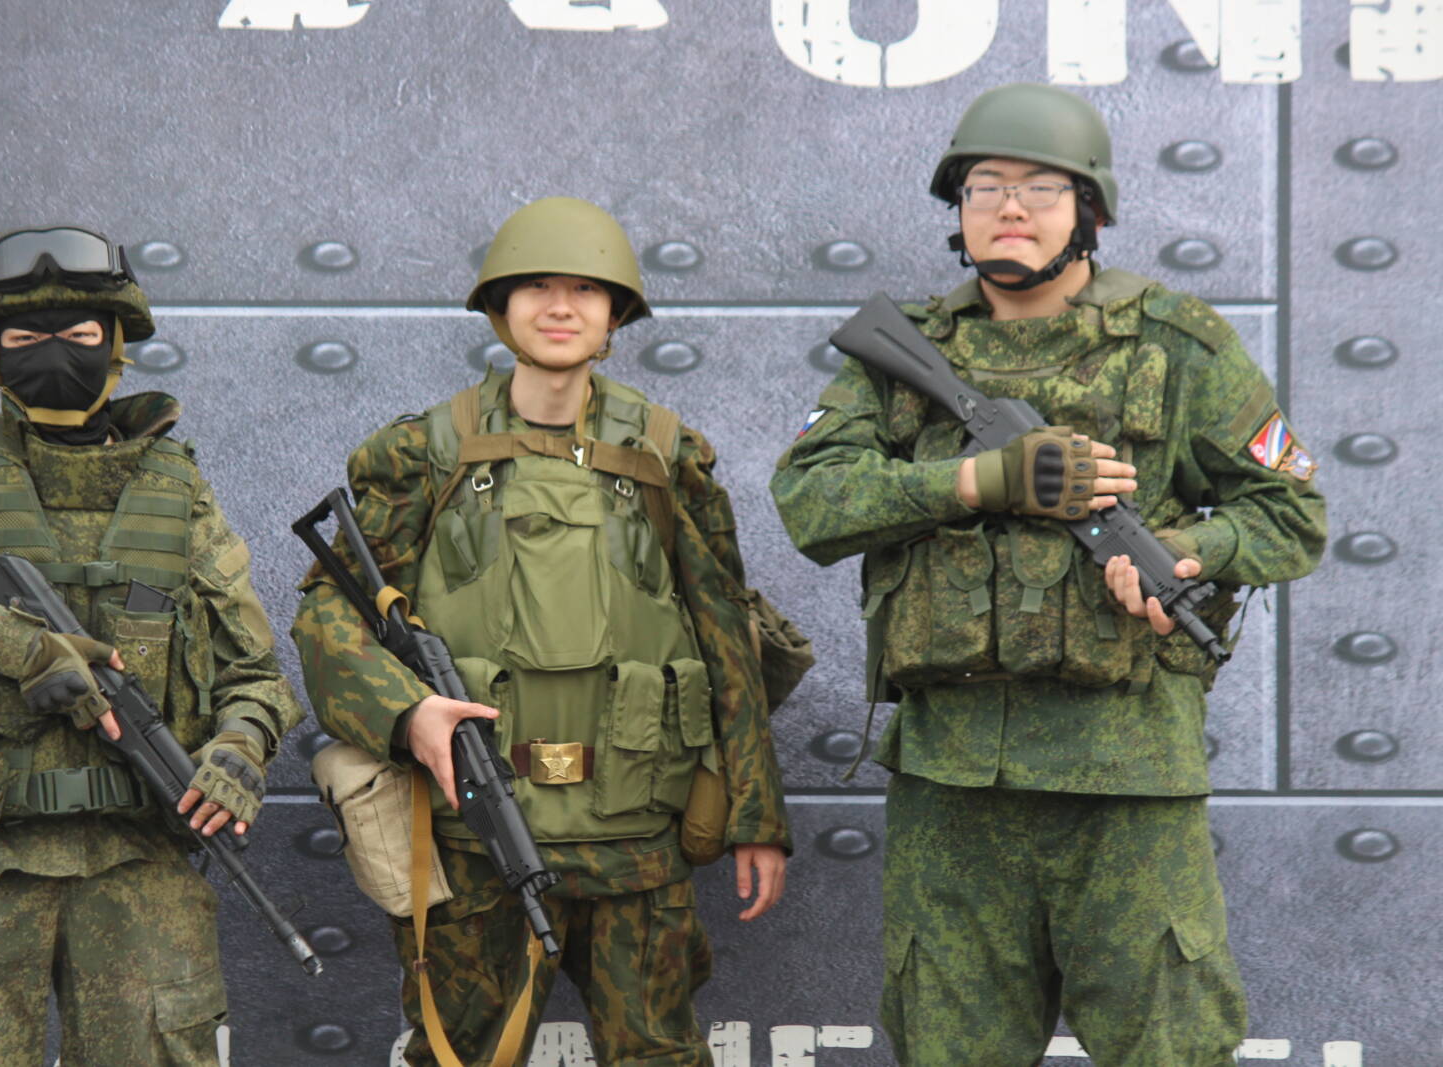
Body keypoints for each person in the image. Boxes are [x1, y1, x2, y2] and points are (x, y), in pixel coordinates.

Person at [770, 84, 1326, 1065]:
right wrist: (978, 480)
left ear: (1089, 210)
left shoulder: (1176, 343)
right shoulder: (903, 354)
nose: (1010, 208)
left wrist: (1189, 554)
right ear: (958, 209)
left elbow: (1290, 511)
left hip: (1128, 780)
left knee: (1169, 1045)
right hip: (953, 784)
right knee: (949, 1046)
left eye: (1040, 187)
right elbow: (810, 499)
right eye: (985, 186)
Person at [292, 196, 790, 1065]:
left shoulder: (668, 454)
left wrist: (757, 816)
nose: (561, 307)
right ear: (500, 306)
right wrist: (408, 713)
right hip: (476, 838)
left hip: (637, 846)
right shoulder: (421, 453)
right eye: (537, 288)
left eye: (586, 290)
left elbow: (726, 635)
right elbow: (330, 614)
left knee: (661, 1056)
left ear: (616, 313)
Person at [0, 225, 304, 1065]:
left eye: (80, 332)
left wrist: (239, 748)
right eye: (25, 335)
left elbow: (257, 674)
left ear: (116, 342)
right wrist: (23, 646)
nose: (54, 351)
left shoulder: (179, 492)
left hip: (139, 862)